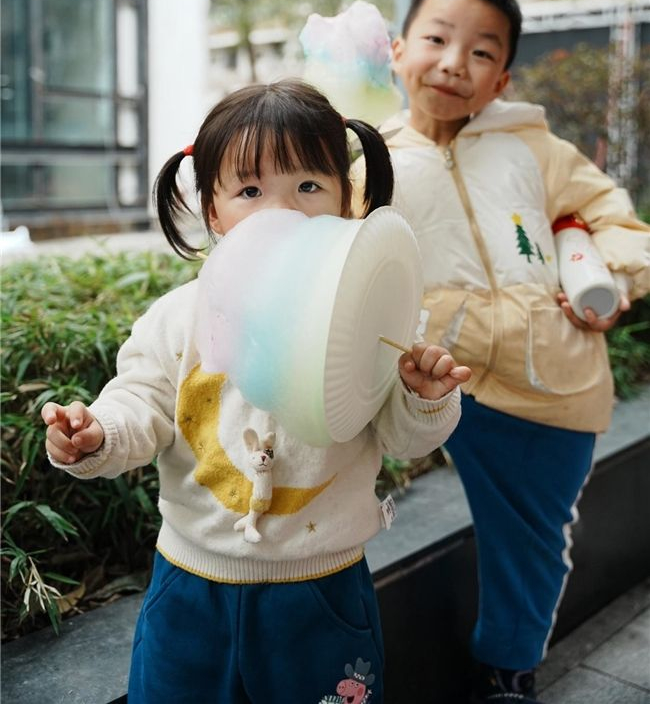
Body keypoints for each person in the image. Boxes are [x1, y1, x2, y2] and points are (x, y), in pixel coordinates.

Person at [41, 78, 471, 704]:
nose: (282, 211)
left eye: (308, 186)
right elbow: (142, 403)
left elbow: (404, 440)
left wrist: (423, 397)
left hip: (321, 589)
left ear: (346, 198)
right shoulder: (179, 318)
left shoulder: (371, 314)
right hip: (192, 582)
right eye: (250, 191)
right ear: (213, 212)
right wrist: (98, 433)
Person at [354, 0, 650, 704]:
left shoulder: (534, 147)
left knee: (535, 540)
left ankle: (509, 670)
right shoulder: (364, 162)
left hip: (552, 379)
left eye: (482, 51)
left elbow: (617, 219)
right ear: (398, 51)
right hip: (433, 374)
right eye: (437, 39)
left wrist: (611, 281)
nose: (455, 62)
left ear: (503, 78)